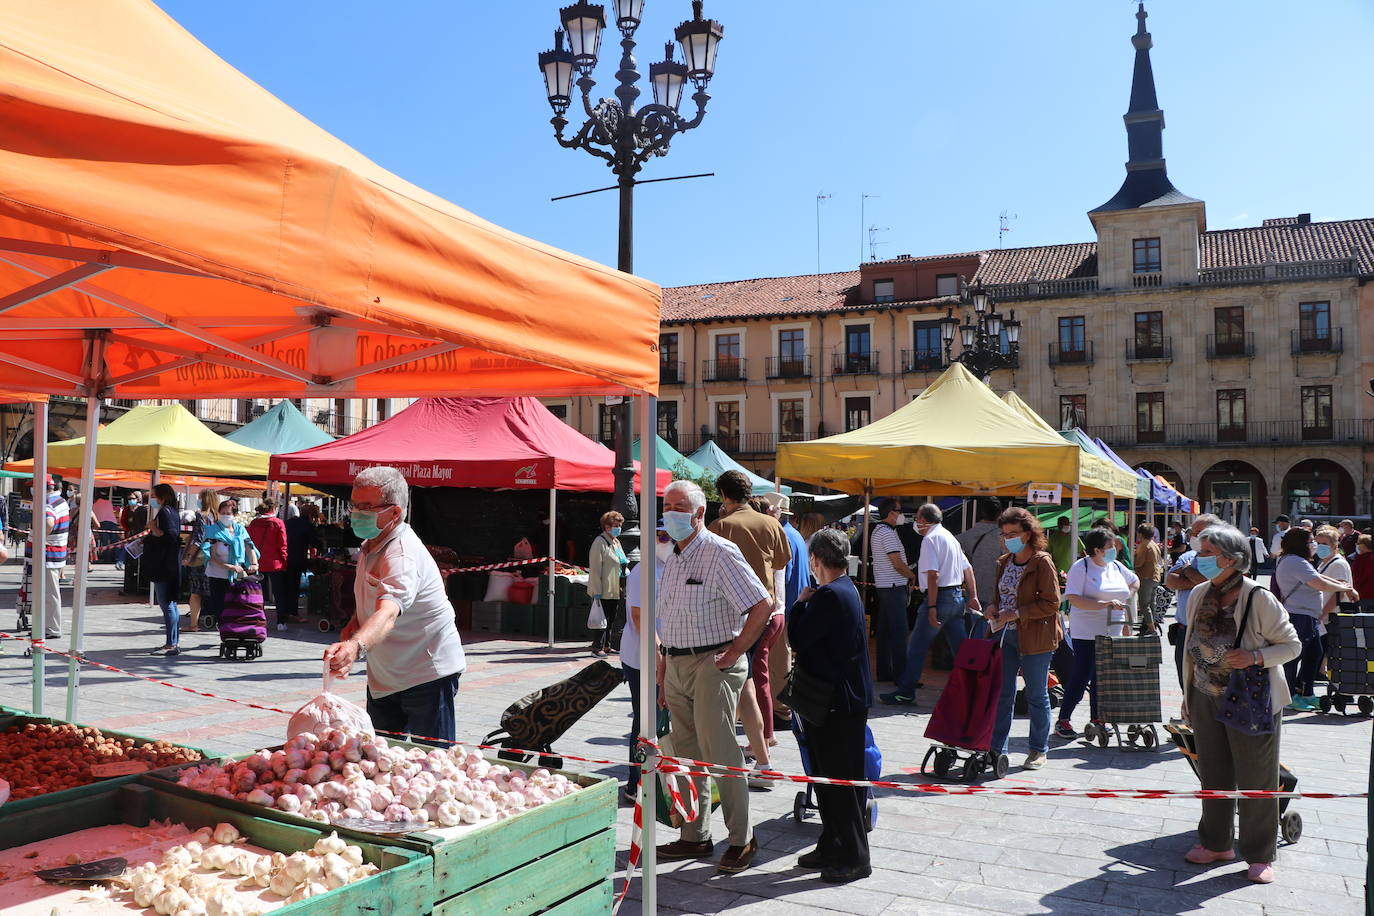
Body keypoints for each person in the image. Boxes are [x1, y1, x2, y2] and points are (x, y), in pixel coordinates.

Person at [654, 479, 772, 875]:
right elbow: (668, 615)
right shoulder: (674, 555)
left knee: (722, 755)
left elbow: (762, 604)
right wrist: (663, 663)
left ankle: (742, 839)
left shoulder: (720, 552)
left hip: (712, 662)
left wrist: (735, 653)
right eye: (667, 505)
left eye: (678, 507)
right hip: (677, 665)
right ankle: (695, 835)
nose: (670, 513)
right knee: (686, 757)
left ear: (700, 513)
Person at [1181, 524, 1301, 885]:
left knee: (1256, 776)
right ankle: (1216, 843)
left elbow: (1292, 646)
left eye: (1206, 554)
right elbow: (1189, 648)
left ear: (1231, 560)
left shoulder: (1258, 597)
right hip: (1205, 695)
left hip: (1251, 697)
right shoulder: (1201, 592)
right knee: (1213, 772)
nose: (1199, 560)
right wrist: (1188, 697)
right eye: (1200, 552)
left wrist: (1255, 657)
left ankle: (1260, 854)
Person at [324, 466, 467, 742]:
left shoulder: (402, 554)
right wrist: (353, 627)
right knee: (381, 758)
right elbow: (371, 598)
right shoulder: (370, 545)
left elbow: (388, 611)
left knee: (432, 764)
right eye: (354, 505)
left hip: (427, 674)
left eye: (366, 507)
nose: (356, 513)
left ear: (395, 512)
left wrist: (355, 647)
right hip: (384, 677)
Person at [787, 527, 873, 883]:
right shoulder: (843, 590)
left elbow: (798, 638)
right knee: (826, 779)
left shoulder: (828, 596)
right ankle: (832, 841)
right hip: (837, 700)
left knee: (839, 782)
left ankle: (854, 856)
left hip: (837, 702)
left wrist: (799, 604)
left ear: (816, 561)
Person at [709, 470, 791, 783]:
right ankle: (763, 760)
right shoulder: (771, 523)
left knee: (734, 689)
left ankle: (728, 758)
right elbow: (782, 562)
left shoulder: (721, 526)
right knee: (750, 686)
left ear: (723, 495)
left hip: (730, 618)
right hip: (767, 612)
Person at [881, 504, 980, 706]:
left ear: (924, 520)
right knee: (960, 649)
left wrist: (932, 607)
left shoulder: (930, 540)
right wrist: (973, 595)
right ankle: (975, 687)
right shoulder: (950, 537)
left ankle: (906, 691)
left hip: (940, 599)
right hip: (956, 597)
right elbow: (968, 569)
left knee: (917, 647)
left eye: (917, 518)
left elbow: (933, 575)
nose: (915, 522)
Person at [986, 507, 1063, 770]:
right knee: (1003, 693)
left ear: (1029, 533)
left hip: (1037, 637)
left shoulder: (1042, 561)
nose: (1008, 538)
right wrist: (993, 608)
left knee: (1037, 694)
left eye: (1014, 533)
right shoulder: (1003, 562)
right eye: (1005, 534)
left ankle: (1039, 749)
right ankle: (997, 749)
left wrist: (1017, 613)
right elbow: (999, 596)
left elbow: (1053, 603)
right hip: (1004, 636)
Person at [1056, 527, 1139, 738]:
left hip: (1113, 629)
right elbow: (1073, 598)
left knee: (1103, 677)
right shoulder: (1081, 566)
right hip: (1086, 631)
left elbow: (1134, 581)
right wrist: (1105, 604)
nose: (1114, 551)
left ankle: (1098, 717)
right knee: (1082, 674)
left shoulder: (1116, 566)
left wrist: (1126, 597)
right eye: (1110, 547)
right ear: (1097, 550)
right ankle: (1063, 719)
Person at [1273, 526, 1356, 711]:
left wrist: (1345, 586)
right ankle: (1290, 696)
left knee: (1314, 654)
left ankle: (1306, 692)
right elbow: (1319, 583)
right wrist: (1345, 588)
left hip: (1307, 616)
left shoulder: (1298, 561)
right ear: (1300, 543)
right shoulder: (1294, 561)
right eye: (1311, 541)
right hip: (1298, 615)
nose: (1314, 545)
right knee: (1294, 658)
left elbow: (1320, 578)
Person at [622, 519, 669, 802]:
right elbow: (640, 617)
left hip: (660, 656)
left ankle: (653, 778)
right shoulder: (643, 570)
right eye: (660, 536)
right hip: (644, 658)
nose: (666, 540)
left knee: (658, 720)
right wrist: (658, 655)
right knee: (646, 722)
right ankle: (635, 783)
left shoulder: (668, 565)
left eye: (669, 536)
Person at [763, 490, 808, 732]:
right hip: (794, 607)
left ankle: (781, 711)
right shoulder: (795, 534)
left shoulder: (783, 536)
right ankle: (782, 708)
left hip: (785, 608)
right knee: (783, 660)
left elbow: (783, 574)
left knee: (779, 662)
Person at [1165, 514, 1223, 684]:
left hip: (1210, 633)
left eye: (1199, 532)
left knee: (1209, 684)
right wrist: (1195, 576)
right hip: (1184, 631)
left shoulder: (1223, 559)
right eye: (1193, 533)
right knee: (1185, 680)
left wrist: (1187, 572)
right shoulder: (1188, 556)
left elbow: (1214, 584)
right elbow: (1170, 581)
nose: (1194, 537)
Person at [868, 498, 916, 683]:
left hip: (886, 586)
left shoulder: (879, 531)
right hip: (894, 587)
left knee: (886, 633)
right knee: (898, 632)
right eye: (899, 510)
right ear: (891, 513)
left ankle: (885, 672)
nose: (901, 513)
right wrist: (911, 575)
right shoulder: (886, 533)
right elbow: (897, 563)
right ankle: (901, 675)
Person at [200, 499, 259, 632]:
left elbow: (250, 547)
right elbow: (212, 555)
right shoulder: (213, 530)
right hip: (218, 574)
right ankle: (224, 632)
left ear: (234, 515)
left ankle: (233, 631)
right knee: (221, 607)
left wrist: (254, 563)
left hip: (237, 575)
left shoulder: (240, 529)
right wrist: (229, 567)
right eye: (223, 513)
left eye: (228, 513)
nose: (226, 515)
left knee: (237, 606)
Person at [25, 475, 69, 640]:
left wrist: (38, 537)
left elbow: (49, 523)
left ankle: (51, 628)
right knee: (49, 592)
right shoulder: (61, 501)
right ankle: (45, 626)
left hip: (48, 553)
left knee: (49, 593)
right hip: (55, 552)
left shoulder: (48, 504)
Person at [143, 484, 183, 656]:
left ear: (162, 496)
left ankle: (171, 644)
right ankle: (172, 641)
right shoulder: (171, 511)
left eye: (153, 495)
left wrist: (153, 527)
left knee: (166, 604)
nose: (151, 499)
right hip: (168, 562)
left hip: (164, 564)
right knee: (171, 604)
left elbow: (170, 536)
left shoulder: (166, 512)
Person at [957, 499, 1004, 627]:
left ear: (982, 512)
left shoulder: (967, 535)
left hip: (973, 590)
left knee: (974, 627)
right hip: (996, 592)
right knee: (992, 630)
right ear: (1000, 514)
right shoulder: (1004, 536)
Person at [588, 510, 627, 658]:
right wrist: (597, 591)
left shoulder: (616, 542)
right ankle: (597, 647)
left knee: (610, 619)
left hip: (615, 588)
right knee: (601, 620)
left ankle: (607, 645)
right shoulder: (599, 542)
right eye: (616, 525)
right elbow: (596, 568)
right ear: (607, 526)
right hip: (603, 589)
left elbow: (622, 561)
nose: (619, 527)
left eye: (620, 525)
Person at [247, 498, 290, 631]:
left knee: (258, 594)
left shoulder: (254, 523)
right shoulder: (278, 523)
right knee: (279, 594)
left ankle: (257, 620)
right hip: (275, 563)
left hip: (258, 563)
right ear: (274, 508)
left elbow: (249, 543)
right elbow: (282, 545)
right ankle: (281, 622)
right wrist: (285, 561)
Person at [181, 489, 219, 632]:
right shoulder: (219, 517)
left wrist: (188, 557)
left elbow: (198, 538)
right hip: (217, 557)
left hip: (202, 558)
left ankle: (193, 624)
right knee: (214, 590)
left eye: (200, 497)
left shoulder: (201, 516)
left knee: (196, 593)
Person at [280, 502, 321, 624]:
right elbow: (315, 542)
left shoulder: (288, 522)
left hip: (284, 558)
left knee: (286, 587)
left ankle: (285, 612)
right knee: (293, 587)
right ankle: (292, 613)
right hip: (297, 559)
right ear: (310, 515)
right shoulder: (307, 525)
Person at [1133, 523, 1163, 635]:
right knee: (1151, 604)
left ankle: (1151, 629)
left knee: (1144, 605)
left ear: (1141, 534)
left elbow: (1139, 562)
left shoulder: (1144, 545)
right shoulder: (1154, 545)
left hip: (1146, 577)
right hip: (1155, 576)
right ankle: (1151, 625)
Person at [1350, 535, 1374, 613]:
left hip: (1363, 595)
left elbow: (1356, 579)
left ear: (1363, 545)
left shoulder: (1360, 559)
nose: (1357, 545)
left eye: (1358, 543)